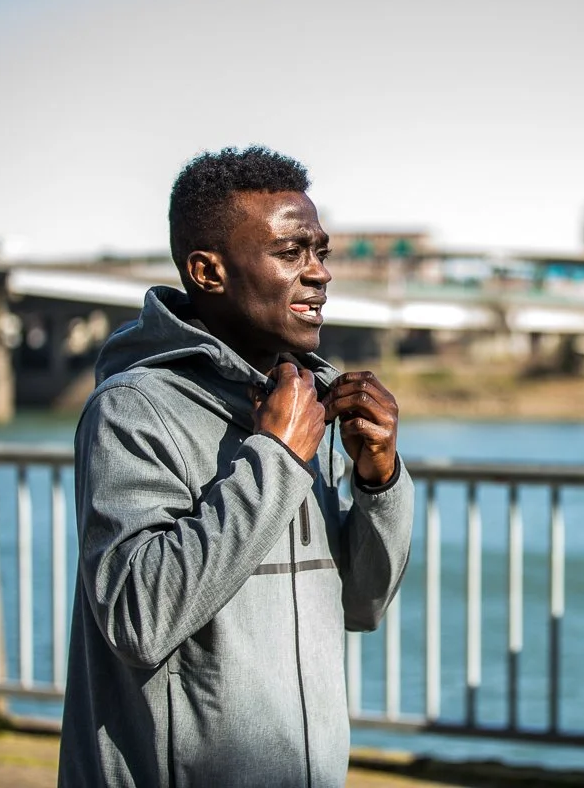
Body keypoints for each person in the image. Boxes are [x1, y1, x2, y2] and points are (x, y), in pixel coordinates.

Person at [58, 146, 414, 787]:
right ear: (207, 271)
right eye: (289, 253)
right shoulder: (132, 410)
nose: (319, 274)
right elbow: (138, 620)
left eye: (320, 251)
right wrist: (274, 459)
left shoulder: (309, 402)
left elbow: (361, 604)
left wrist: (379, 482)